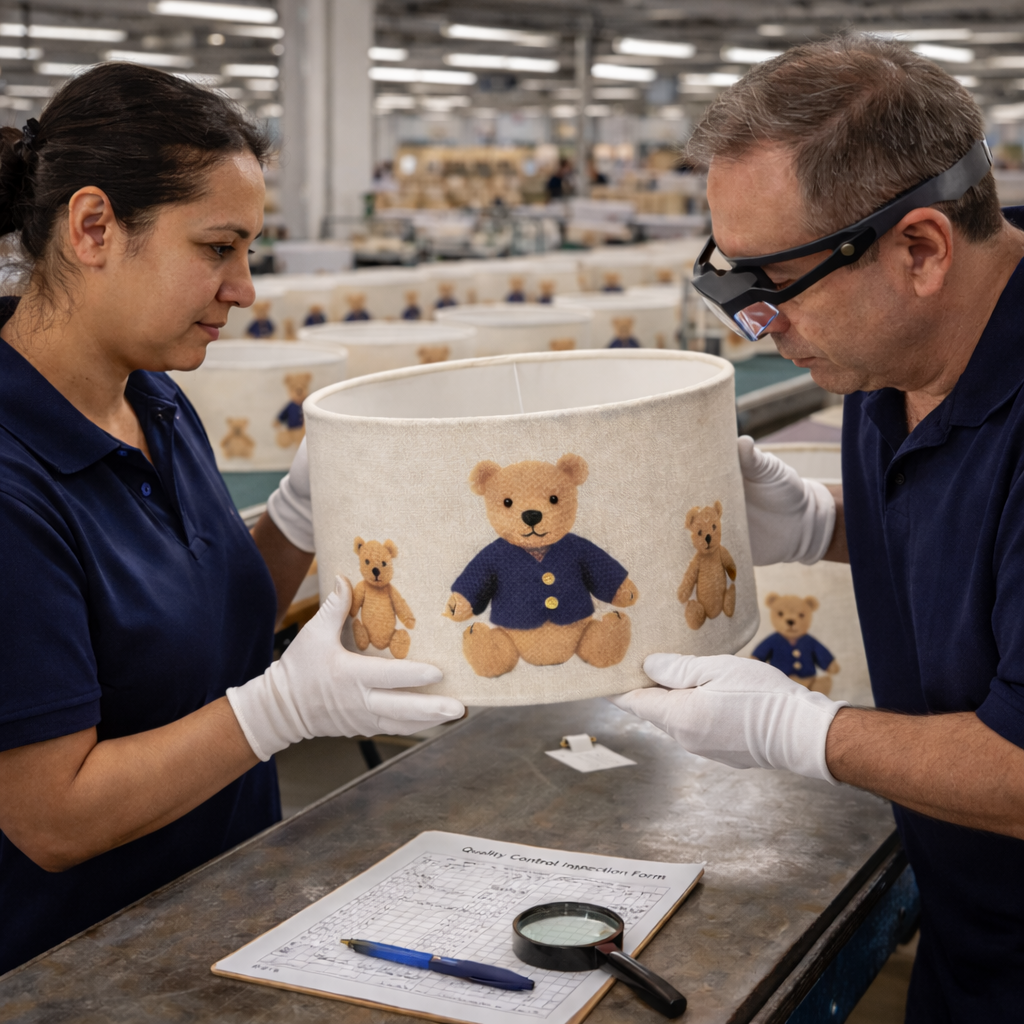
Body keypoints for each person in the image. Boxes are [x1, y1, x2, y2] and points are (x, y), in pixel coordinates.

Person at [0, 63, 463, 975]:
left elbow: (210, 626)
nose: (244, 287)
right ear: (94, 227)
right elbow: (54, 816)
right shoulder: (12, 482)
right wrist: (282, 709)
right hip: (79, 970)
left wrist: (298, 516)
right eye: (218, 248)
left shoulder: (155, 398)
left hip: (224, 911)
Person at [611, 36, 1024, 1022]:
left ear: (918, 249)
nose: (750, 327)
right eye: (726, 283)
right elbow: (972, 543)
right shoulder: (898, 356)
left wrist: (796, 731)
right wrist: (821, 525)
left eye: (768, 288)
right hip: (975, 948)